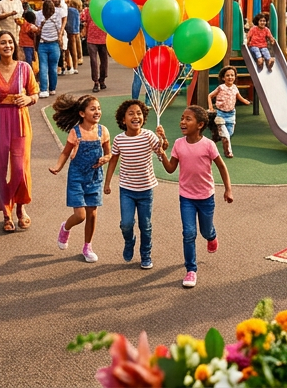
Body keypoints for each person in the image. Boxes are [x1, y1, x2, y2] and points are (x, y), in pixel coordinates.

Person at [159, 106, 234, 288]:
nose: (183, 122)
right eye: (182, 118)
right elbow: (170, 169)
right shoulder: (178, 144)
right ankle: (191, 270)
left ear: (200, 125)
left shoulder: (208, 145)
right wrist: (161, 153)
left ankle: (212, 236)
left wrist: (228, 189)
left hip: (206, 197)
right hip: (186, 197)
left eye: (188, 119)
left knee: (205, 231)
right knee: (189, 233)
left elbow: (222, 167)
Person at [0, 30, 38, 232]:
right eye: (3, 43)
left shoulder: (24, 68)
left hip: (20, 120)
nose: (7, 46)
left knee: (19, 168)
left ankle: (21, 208)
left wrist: (29, 99)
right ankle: (6, 213)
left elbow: (35, 92)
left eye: (10, 42)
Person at [104, 100, 167, 269]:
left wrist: (162, 138)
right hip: (127, 189)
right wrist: (107, 182)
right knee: (126, 223)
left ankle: (146, 254)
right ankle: (129, 241)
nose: (135, 116)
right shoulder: (119, 140)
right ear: (123, 119)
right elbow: (113, 160)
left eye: (139, 113)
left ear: (143, 117)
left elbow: (161, 152)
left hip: (146, 189)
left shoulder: (148, 136)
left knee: (145, 225)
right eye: (131, 113)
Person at [49, 94, 111, 263]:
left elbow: (109, 153)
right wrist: (58, 167)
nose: (97, 111)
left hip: (95, 177)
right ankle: (65, 227)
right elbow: (65, 152)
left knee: (92, 214)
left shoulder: (103, 131)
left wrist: (106, 158)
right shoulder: (75, 132)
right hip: (77, 177)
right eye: (92, 109)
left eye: (98, 108)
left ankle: (87, 246)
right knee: (81, 215)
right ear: (82, 113)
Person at [207, 66, 250, 157]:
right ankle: (228, 152)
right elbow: (210, 96)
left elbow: (238, 96)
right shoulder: (221, 87)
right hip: (220, 114)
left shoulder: (235, 87)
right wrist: (211, 107)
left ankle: (217, 135)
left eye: (232, 75)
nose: (230, 77)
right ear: (223, 78)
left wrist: (245, 101)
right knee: (226, 135)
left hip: (231, 114)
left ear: (235, 77)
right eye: (227, 75)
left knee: (230, 133)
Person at [37, 0, 64, 98]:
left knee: (43, 67)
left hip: (42, 44)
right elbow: (59, 29)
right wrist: (60, 41)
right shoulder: (57, 15)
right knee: (53, 68)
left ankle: (44, 90)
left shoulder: (39, 15)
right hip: (54, 44)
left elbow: (38, 30)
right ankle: (52, 88)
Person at [85, 0, 110, 93]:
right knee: (103, 60)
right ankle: (101, 80)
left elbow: (85, 21)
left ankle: (97, 81)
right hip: (101, 37)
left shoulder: (89, 10)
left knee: (94, 61)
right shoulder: (105, 10)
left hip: (92, 37)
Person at [65, 0, 83, 76]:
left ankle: (76, 61)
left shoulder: (71, 1)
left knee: (73, 44)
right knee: (77, 41)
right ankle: (80, 57)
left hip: (72, 23)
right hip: (77, 22)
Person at [19, 8, 39, 76]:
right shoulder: (32, 26)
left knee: (24, 60)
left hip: (22, 44)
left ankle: (26, 73)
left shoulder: (23, 25)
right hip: (30, 45)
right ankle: (30, 74)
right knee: (29, 60)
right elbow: (36, 31)